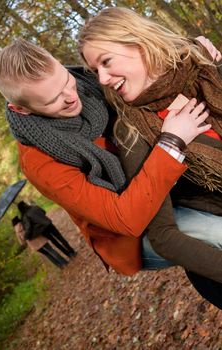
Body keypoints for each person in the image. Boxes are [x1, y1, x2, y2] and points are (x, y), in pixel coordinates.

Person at [0, 39, 222, 308]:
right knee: (213, 231)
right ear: (21, 108)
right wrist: (170, 143)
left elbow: (142, 66)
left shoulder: (90, 81)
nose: (70, 96)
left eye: (66, 80)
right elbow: (126, 220)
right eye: (53, 99)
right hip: (130, 234)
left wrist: (190, 47)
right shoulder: (39, 162)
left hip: (169, 192)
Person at [79, 7, 222, 270]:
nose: (102, 78)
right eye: (95, 70)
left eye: (106, 61)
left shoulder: (205, 70)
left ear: (139, 43)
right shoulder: (133, 132)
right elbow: (164, 237)